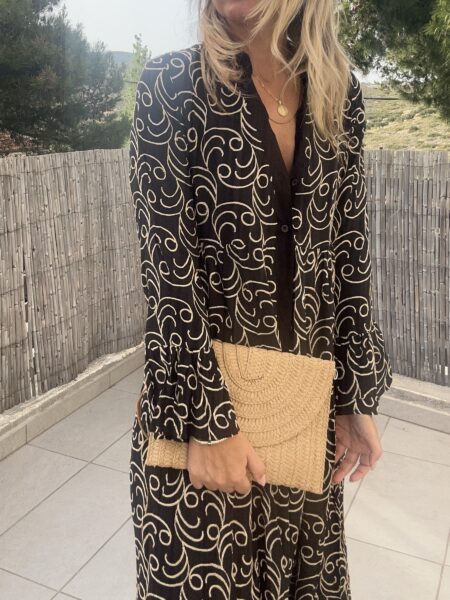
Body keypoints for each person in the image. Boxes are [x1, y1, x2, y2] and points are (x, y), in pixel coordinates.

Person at [128, 0, 393, 598]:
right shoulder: (173, 84)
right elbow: (168, 276)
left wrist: (353, 398)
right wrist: (209, 425)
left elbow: (348, 253)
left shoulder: (338, 94)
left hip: (303, 422)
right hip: (200, 432)